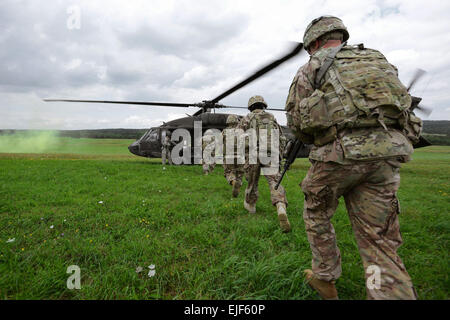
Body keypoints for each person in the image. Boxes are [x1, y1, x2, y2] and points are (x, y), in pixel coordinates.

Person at [286, 16, 421, 299]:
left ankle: (324, 275)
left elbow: (297, 123)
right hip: (386, 155)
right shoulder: (377, 61)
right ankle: (385, 290)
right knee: (378, 237)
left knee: (317, 212)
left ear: (315, 42)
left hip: (338, 157)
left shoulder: (313, 65)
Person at [239, 95, 291, 233]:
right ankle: (280, 205)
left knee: (252, 182)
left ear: (251, 107)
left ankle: (251, 206)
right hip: (271, 153)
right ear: (263, 105)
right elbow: (281, 137)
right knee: (275, 181)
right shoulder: (271, 117)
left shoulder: (247, 118)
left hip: (253, 154)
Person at [222, 114, 245, 197]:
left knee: (228, 172)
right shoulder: (242, 131)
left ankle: (233, 181)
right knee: (240, 172)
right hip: (240, 156)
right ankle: (238, 182)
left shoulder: (224, 132)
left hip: (228, 156)